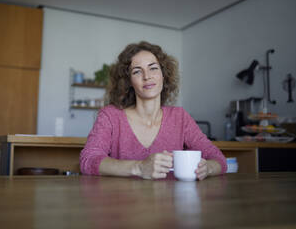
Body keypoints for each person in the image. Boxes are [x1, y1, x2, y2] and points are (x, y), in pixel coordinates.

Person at [80, 41, 227, 180]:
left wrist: (208, 168)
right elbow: (88, 160)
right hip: (123, 205)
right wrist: (139, 167)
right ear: (129, 81)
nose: (147, 76)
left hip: (169, 205)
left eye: (153, 68)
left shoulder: (180, 117)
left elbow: (219, 159)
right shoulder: (110, 116)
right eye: (137, 71)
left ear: (164, 74)